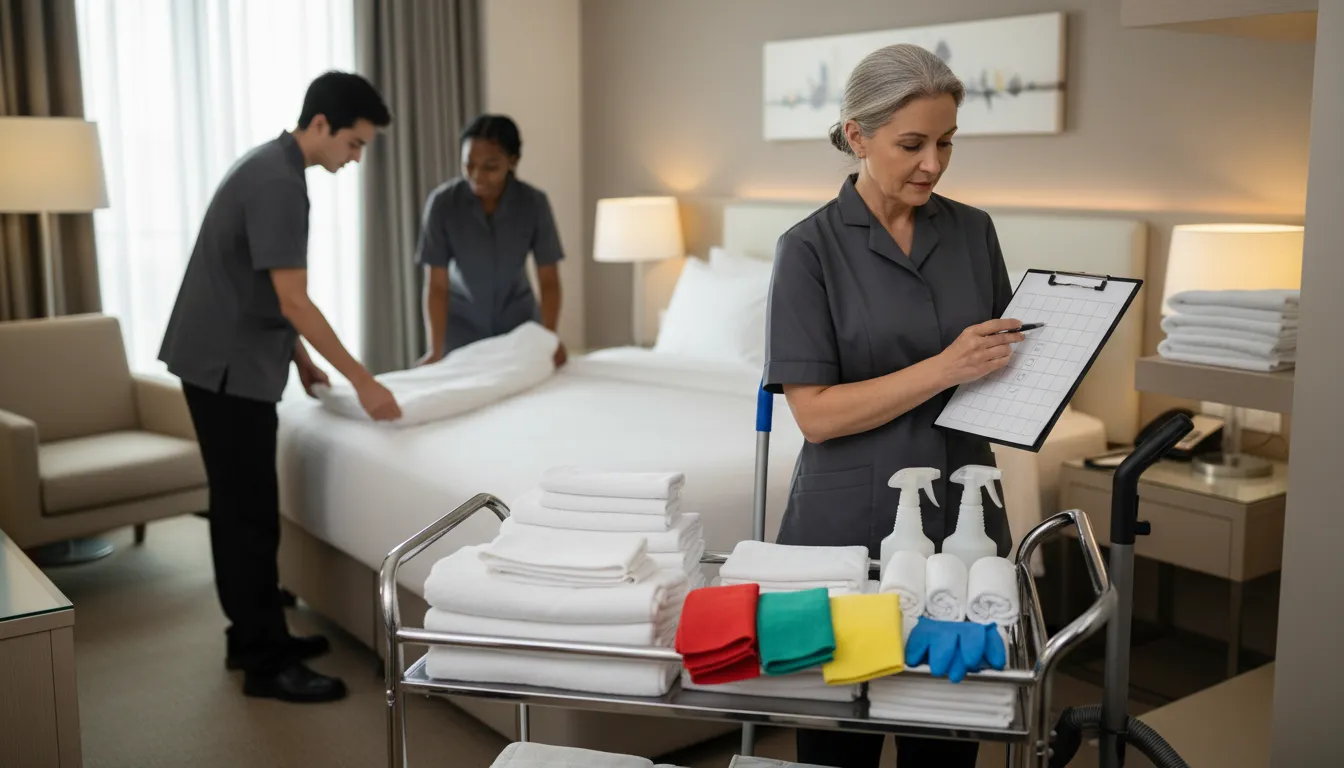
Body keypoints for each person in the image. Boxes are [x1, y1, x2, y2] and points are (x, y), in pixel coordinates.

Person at [763, 44, 1023, 767]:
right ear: (858, 136)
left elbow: (996, 364)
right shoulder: (808, 250)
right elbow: (815, 414)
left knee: (946, 738)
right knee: (837, 741)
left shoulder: (973, 231)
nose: (933, 164)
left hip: (965, 515)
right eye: (912, 144)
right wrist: (945, 366)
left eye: (945, 143)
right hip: (845, 528)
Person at [158, 70, 402, 703]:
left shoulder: (273, 167)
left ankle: (253, 638)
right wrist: (364, 379)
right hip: (225, 369)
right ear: (321, 125)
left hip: (226, 359)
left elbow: (264, 285)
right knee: (246, 518)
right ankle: (266, 664)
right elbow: (293, 299)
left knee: (245, 512)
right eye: (355, 143)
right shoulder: (277, 184)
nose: (355, 158)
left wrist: (298, 361)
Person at [414, 114, 567, 368]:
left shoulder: (534, 203)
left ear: (512, 161)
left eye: (490, 167)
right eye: (469, 164)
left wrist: (548, 338)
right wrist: (435, 349)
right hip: (461, 331)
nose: (477, 175)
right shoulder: (443, 204)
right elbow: (437, 285)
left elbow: (549, 280)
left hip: (519, 328)